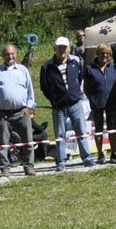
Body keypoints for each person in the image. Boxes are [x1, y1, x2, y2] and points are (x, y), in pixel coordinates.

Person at [39, 36, 95, 172]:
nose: (62, 50)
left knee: (81, 131)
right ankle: (61, 161)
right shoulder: (47, 66)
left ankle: (87, 158)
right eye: (59, 47)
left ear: (69, 48)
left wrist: (74, 93)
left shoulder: (77, 61)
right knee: (60, 135)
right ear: (55, 48)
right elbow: (44, 86)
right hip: (58, 106)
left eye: (64, 47)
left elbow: (80, 77)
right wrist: (53, 100)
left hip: (75, 103)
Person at [0, 41, 37, 177]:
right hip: (4, 115)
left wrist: (29, 107)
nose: (9, 56)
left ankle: (29, 167)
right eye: (7, 54)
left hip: (22, 113)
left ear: (16, 55)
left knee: (28, 141)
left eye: (12, 54)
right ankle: (4, 168)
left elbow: (30, 90)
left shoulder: (23, 70)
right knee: (3, 143)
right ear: (2, 56)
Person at [83, 42, 116, 163]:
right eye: (102, 53)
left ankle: (113, 153)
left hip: (112, 102)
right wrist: (92, 98)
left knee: (112, 128)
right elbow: (85, 87)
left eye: (107, 53)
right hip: (97, 102)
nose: (105, 56)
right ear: (97, 54)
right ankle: (100, 154)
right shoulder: (89, 68)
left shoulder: (114, 67)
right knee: (99, 129)